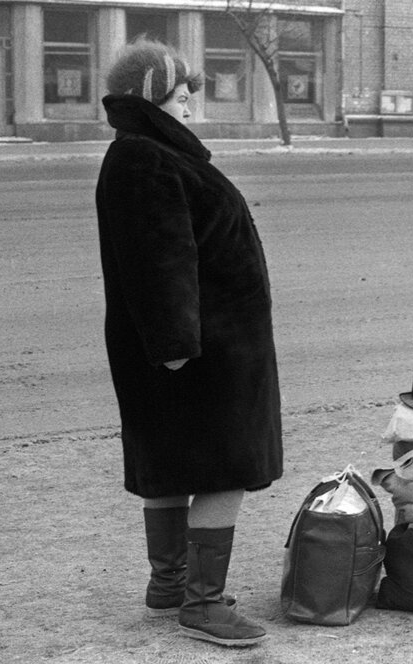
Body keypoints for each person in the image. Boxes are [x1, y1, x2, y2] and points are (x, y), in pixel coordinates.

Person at [95, 39, 283, 648]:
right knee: (223, 468)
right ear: (150, 99)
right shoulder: (146, 160)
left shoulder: (149, 153)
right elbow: (158, 258)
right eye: (181, 98)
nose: (191, 110)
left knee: (174, 463)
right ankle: (202, 604)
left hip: (194, 345)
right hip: (201, 350)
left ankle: (170, 583)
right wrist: (177, 346)